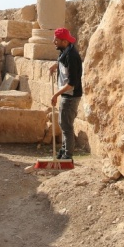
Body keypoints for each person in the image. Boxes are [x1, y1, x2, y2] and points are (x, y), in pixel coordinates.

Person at [50, 27, 83, 161]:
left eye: (56, 40)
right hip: (66, 95)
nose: (54, 42)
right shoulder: (65, 51)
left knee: (66, 126)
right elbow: (63, 62)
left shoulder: (72, 55)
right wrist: (55, 65)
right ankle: (63, 152)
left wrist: (55, 95)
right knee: (63, 124)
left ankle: (67, 157)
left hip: (70, 96)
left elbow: (72, 83)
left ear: (64, 41)